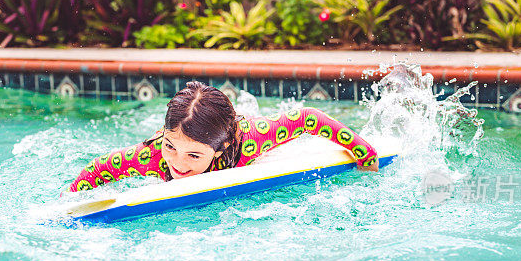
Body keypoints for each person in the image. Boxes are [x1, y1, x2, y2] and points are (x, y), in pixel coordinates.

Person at [68, 81, 379, 192]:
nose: (177, 163)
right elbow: (98, 168)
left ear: (220, 150)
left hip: (236, 130)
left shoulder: (251, 141)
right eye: (171, 147)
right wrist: (69, 199)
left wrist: (365, 154)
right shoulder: (151, 157)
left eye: (193, 156)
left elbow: (308, 118)